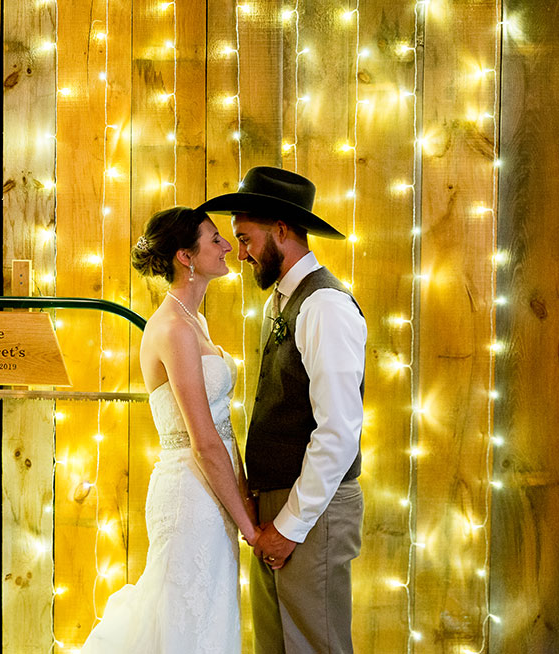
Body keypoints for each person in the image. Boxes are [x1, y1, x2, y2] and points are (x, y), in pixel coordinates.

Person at [197, 166, 366, 654]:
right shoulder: (282, 303)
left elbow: (338, 431)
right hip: (281, 503)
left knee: (316, 645)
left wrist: (289, 526)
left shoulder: (324, 306)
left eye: (246, 238)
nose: (242, 252)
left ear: (282, 231)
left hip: (314, 509)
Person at [78, 206, 260, 654]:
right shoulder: (174, 328)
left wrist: (245, 501)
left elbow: (224, 428)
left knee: (209, 618)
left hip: (213, 491)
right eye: (214, 239)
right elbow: (203, 441)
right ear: (186, 256)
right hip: (189, 496)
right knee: (185, 622)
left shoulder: (195, 320)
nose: (225, 247)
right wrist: (251, 530)